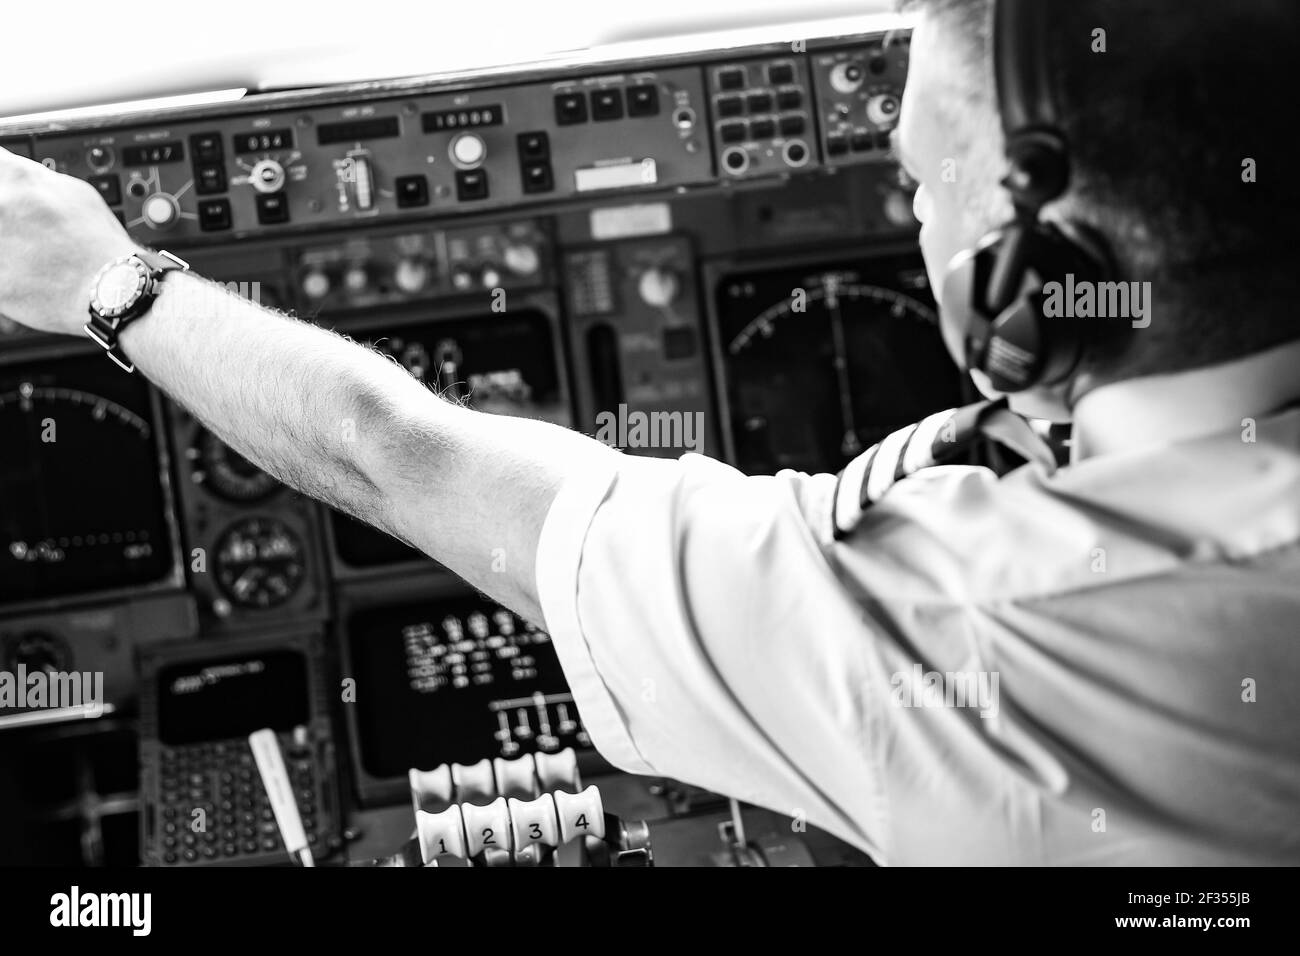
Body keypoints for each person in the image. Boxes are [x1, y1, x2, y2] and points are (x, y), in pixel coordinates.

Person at [0, 0, 1297, 865]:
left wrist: (107, 285)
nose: (911, 218)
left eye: (918, 179)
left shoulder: (975, 618)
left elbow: (392, 451)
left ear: (1041, 264)